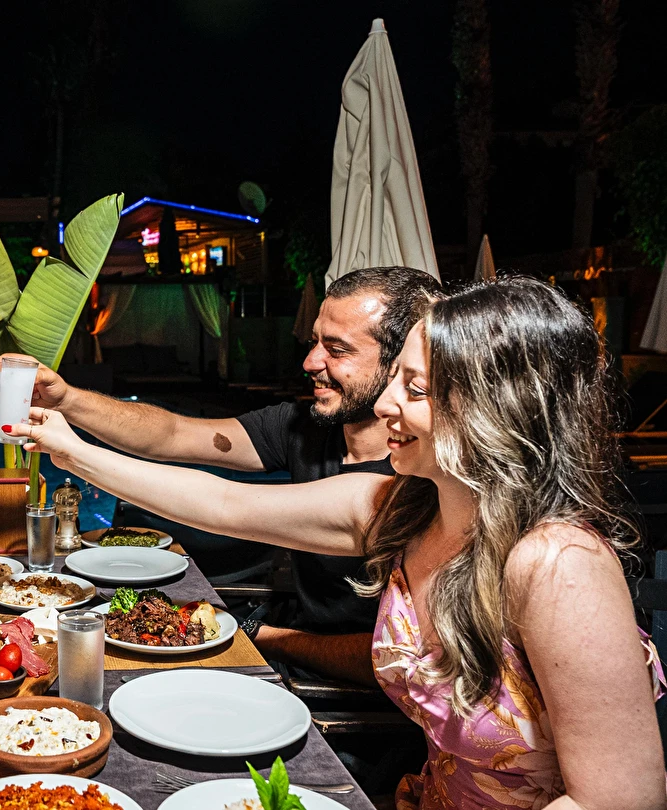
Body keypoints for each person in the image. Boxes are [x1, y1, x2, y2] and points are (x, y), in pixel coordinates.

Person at [11, 277, 666, 808]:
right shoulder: (405, 508)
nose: (384, 406)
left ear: (495, 406)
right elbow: (223, 504)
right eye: (394, 381)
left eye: (414, 389)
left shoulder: (559, 564)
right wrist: (69, 448)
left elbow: (620, 798)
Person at [26, 266, 441, 685]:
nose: (310, 361)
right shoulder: (305, 427)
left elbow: (224, 505)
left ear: (399, 366)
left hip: (344, 695)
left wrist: (265, 636)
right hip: (293, 658)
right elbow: (173, 434)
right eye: (314, 342)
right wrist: (68, 400)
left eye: (337, 349)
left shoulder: (422, 486)